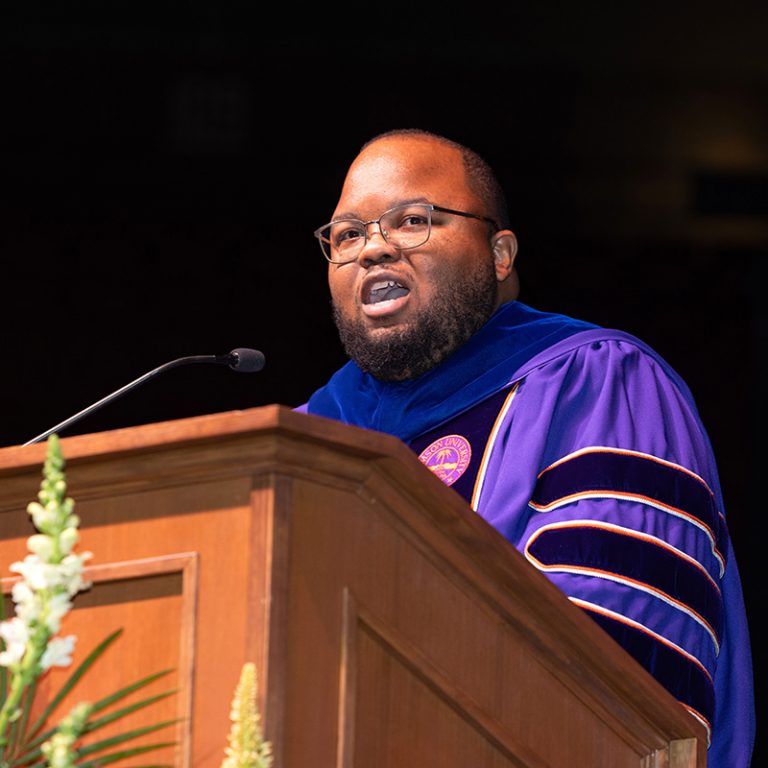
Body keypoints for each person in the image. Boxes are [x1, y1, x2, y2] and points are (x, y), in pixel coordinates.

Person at [297, 128, 755, 766]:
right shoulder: (302, 442)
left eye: (411, 220)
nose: (373, 248)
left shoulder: (594, 384)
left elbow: (617, 659)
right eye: (347, 234)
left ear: (500, 254)